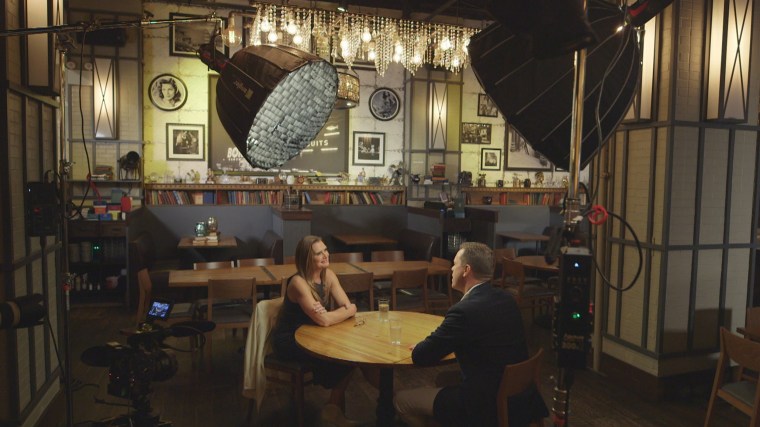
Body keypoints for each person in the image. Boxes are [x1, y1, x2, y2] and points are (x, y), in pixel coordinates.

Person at [393, 242, 548, 427]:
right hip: (520, 400)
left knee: (402, 401)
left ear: (466, 270)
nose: (451, 268)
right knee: (443, 379)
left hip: (485, 406)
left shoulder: (463, 311)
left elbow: (421, 355)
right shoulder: (507, 299)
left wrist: (423, 345)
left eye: (455, 263)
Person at [271, 235, 361, 427]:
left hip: (315, 334)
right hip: (290, 340)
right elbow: (325, 319)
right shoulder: (298, 282)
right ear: (306, 258)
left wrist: (343, 311)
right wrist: (339, 313)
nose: (325, 255)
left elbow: (350, 308)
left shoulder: (328, 275)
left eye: (326, 250)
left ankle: (332, 410)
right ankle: (332, 412)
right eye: (318, 253)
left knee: (351, 355)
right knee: (343, 357)